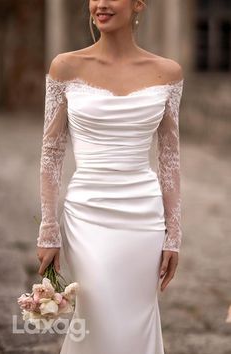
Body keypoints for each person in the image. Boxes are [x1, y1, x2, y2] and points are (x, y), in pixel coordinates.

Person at [37, 0, 184, 353]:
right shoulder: (65, 67)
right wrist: (48, 228)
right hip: (87, 214)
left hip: (143, 219)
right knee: (97, 312)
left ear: (138, 4)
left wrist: (174, 234)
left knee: (137, 318)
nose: (100, 3)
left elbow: (170, 157)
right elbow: (52, 151)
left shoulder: (168, 73)